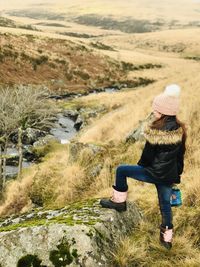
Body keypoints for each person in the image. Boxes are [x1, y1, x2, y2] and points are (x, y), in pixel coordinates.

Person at [100, 84, 186, 250]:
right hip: (168, 176)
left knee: (122, 170)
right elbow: (180, 156)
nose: (154, 112)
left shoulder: (155, 130)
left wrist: (142, 168)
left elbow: (147, 157)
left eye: (156, 110)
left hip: (153, 172)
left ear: (163, 113)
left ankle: (119, 202)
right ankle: (166, 241)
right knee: (165, 206)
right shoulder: (180, 129)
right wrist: (176, 175)